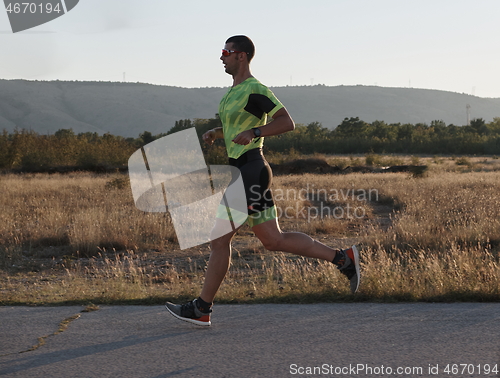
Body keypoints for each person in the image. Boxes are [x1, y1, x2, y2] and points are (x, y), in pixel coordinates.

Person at [165, 35, 360, 326]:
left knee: (219, 240)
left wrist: (256, 133)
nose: (221, 57)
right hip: (245, 171)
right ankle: (342, 259)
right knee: (273, 240)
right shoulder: (232, 92)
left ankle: (202, 308)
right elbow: (238, 125)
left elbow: (286, 122)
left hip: (250, 170)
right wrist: (217, 133)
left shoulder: (255, 89)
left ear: (241, 56)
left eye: (226, 52)